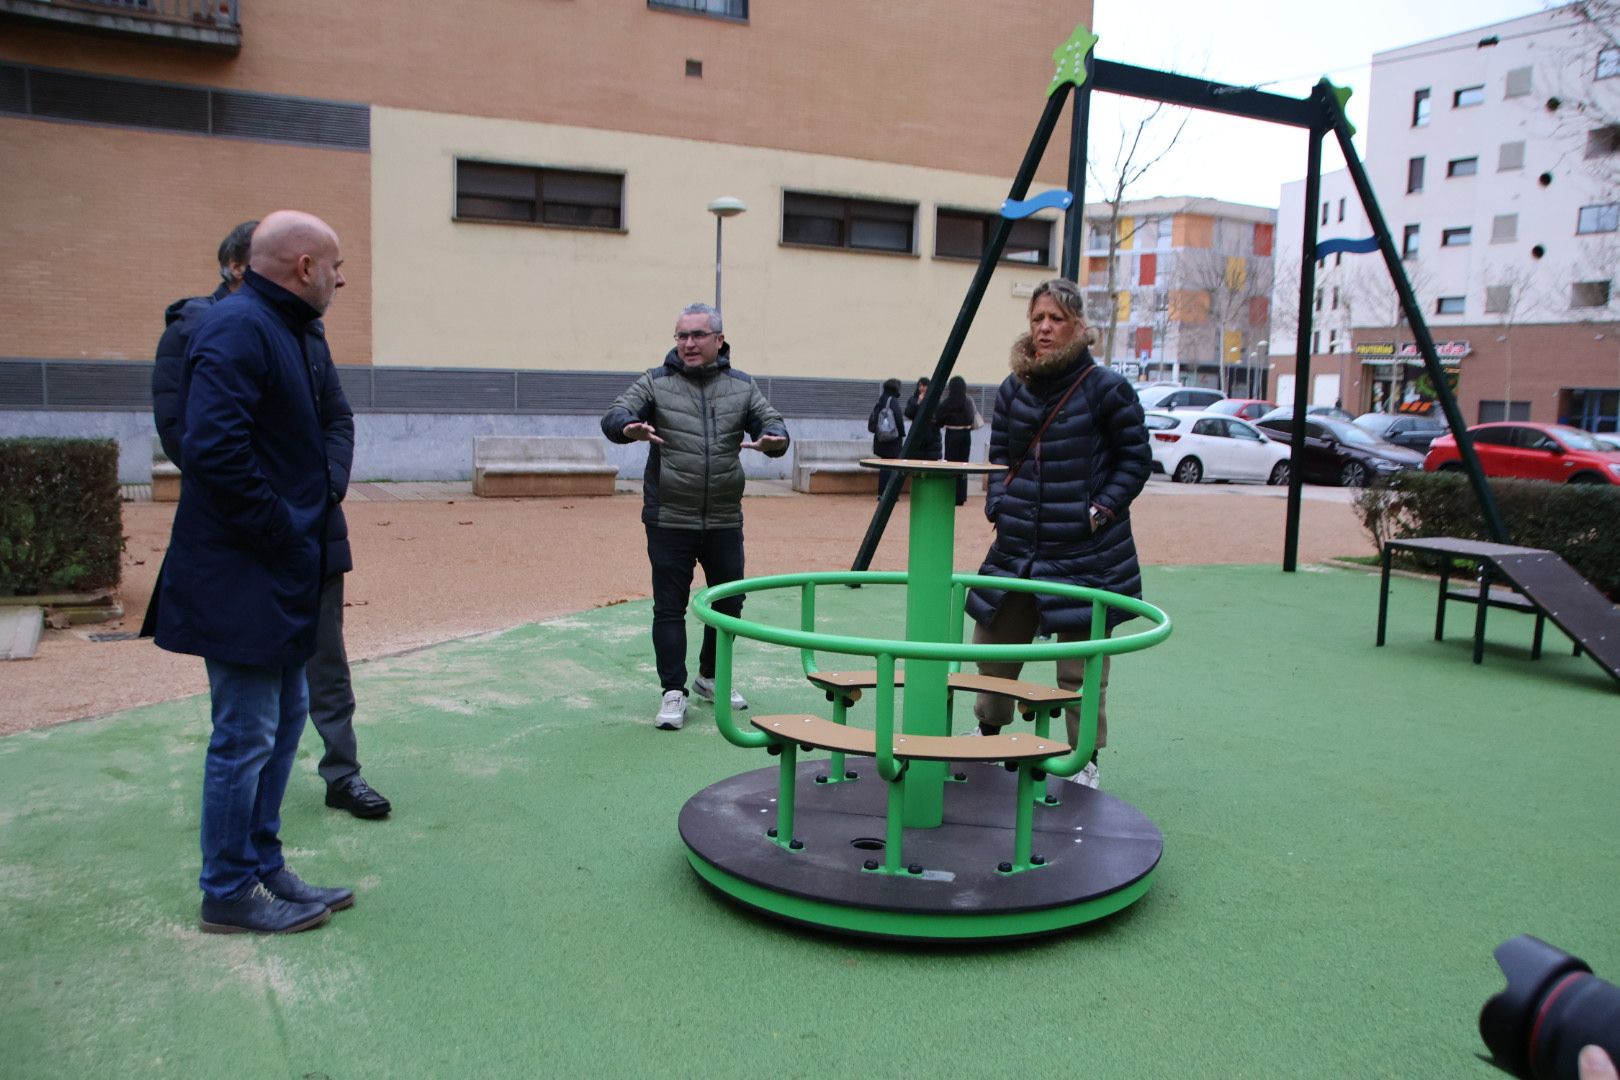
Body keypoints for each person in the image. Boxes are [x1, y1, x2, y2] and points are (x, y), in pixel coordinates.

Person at [144, 222, 390, 821]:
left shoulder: (303, 332)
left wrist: (322, 493)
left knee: (308, 684)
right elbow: (199, 443)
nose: (343, 276)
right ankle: (233, 877)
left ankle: (330, 784)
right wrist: (280, 519)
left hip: (309, 540)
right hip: (252, 552)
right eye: (335, 264)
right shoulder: (217, 330)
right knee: (247, 727)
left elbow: (337, 419)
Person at [964, 277, 1151, 789]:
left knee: (1080, 666)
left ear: (1077, 327)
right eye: (1037, 318)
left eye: (1056, 319)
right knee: (994, 646)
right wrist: (999, 503)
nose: (1045, 328)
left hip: (1086, 550)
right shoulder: (1013, 388)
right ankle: (989, 733)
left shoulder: (1107, 388)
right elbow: (1000, 456)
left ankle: (1082, 759)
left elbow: (1135, 460)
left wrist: (1099, 511)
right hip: (1018, 545)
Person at [602, 302, 790, 731]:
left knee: (729, 603)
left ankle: (709, 676)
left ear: (718, 340)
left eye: (697, 335)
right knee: (670, 607)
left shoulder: (741, 387)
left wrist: (773, 440)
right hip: (669, 516)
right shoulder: (656, 382)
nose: (687, 343)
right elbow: (615, 414)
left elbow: (773, 424)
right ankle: (673, 691)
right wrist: (628, 426)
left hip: (724, 517)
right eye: (681, 335)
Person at [932, 374, 980, 506]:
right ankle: (961, 496)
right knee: (963, 465)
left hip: (952, 434)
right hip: (965, 434)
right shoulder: (967, 401)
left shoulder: (947, 402)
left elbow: (938, 419)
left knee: (951, 465)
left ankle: (951, 494)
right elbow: (971, 418)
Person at [867, 377, 906, 500]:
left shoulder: (881, 400)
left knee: (884, 466)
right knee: (891, 467)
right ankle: (889, 493)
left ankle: (882, 492)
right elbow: (899, 419)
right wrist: (902, 433)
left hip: (881, 438)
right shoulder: (892, 401)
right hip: (892, 439)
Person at [903, 376, 943, 462]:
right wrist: (918, 403)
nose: (921, 388)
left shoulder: (935, 400)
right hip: (917, 437)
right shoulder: (913, 399)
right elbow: (909, 414)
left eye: (924, 385)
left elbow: (940, 417)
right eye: (919, 386)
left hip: (932, 438)